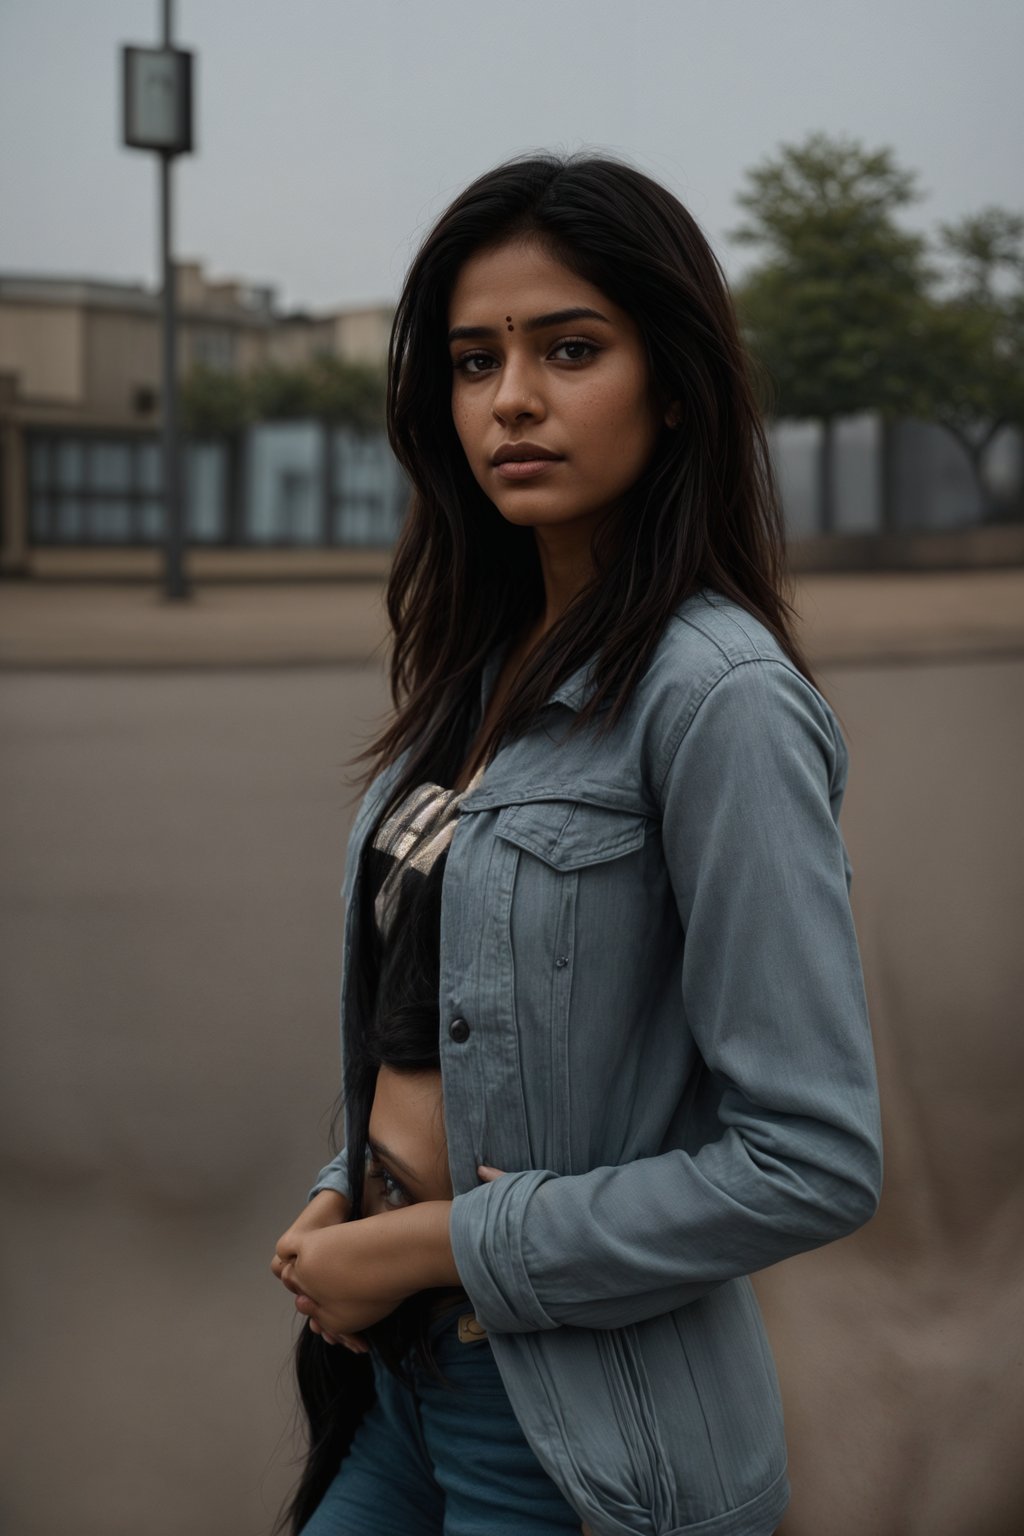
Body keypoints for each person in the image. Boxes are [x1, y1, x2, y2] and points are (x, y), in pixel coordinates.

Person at [271, 150, 883, 1536]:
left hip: (582, 1445)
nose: (514, 400)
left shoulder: (717, 699)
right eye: (476, 361)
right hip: (402, 1388)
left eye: (569, 349)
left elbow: (812, 1158)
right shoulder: (475, 669)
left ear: (673, 386)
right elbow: (445, 1025)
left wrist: (444, 1244)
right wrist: (343, 1201)